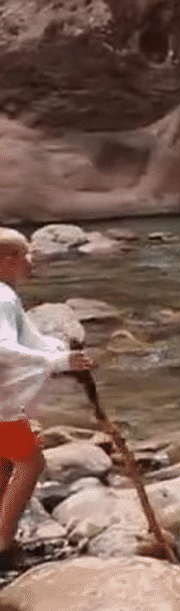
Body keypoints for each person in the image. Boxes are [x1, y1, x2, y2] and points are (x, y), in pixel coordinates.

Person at [0, 228, 92, 566]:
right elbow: (3, 348)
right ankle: (3, 545)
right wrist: (57, 361)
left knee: (5, 462)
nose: (32, 261)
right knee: (30, 462)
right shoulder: (2, 297)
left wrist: (59, 353)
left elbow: (29, 340)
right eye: (26, 254)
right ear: (6, 259)